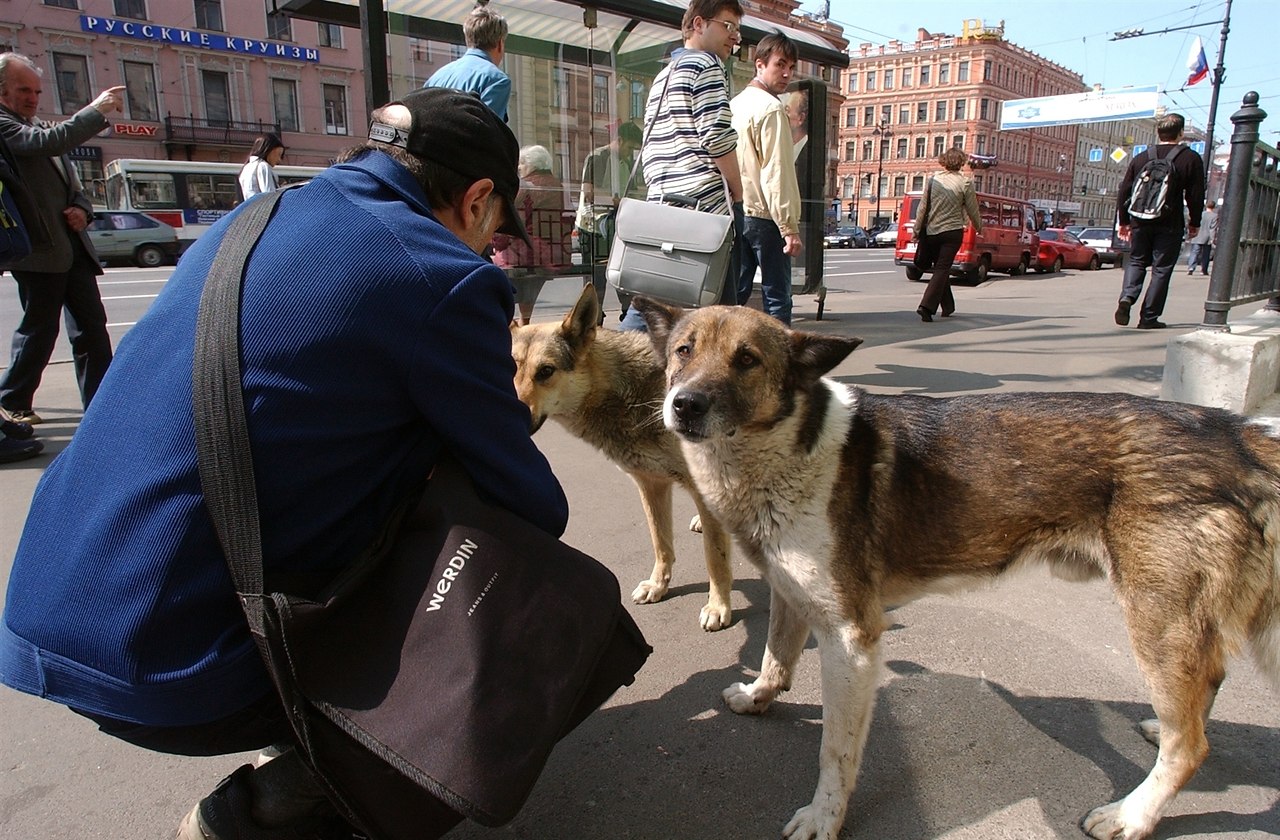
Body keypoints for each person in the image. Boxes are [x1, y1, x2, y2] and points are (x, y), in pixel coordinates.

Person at [0, 87, 568, 838]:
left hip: (51, 609)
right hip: (179, 666)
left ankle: (308, 723)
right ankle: (285, 805)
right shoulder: (441, 273)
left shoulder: (251, 217)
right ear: (476, 199)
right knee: (524, 580)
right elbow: (533, 504)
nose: (492, 242)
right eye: (496, 225)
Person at [0, 52, 121, 424]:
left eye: (37, 91)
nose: (33, 98)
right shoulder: (7, 127)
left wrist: (82, 209)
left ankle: (101, 406)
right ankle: (13, 399)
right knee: (40, 329)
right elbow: (49, 143)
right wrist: (95, 111)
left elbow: (74, 186)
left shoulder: (34, 124)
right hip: (39, 250)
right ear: (1, 91)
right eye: (23, 90)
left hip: (71, 246)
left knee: (91, 329)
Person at [622, 0, 744, 331]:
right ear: (699, 24)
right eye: (729, 26)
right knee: (720, 316)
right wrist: (737, 188)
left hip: (663, 203)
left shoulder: (664, 75)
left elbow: (650, 143)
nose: (735, 37)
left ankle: (617, 369)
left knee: (652, 304)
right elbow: (716, 135)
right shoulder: (707, 65)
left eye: (737, 29)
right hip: (704, 207)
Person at [731, 32, 803, 325]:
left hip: (737, 210)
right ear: (759, 64)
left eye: (791, 67)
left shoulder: (734, 105)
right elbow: (777, 171)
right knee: (778, 299)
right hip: (765, 215)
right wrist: (789, 227)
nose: (787, 73)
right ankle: (783, 367)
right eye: (780, 65)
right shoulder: (772, 109)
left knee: (734, 295)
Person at [1114, 112, 1205, 330]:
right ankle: (1149, 318)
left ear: (1158, 132)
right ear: (1181, 133)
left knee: (1136, 261)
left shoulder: (1142, 157)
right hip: (1170, 222)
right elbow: (1195, 194)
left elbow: (1124, 190)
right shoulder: (1190, 158)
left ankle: (1127, 297)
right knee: (1161, 269)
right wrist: (1195, 222)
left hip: (1140, 220)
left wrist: (1124, 221)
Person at [493, 143, 568, 325]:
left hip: (525, 253)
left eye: (521, 165)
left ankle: (508, 323)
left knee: (493, 269)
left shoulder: (528, 188)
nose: (519, 169)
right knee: (528, 288)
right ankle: (524, 320)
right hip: (551, 253)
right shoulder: (558, 186)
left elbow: (510, 223)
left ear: (532, 165)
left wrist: (495, 242)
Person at [575, 121, 642, 320]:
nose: (630, 153)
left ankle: (626, 313)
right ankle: (595, 318)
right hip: (593, 225)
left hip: (615, 224)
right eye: (629, 148)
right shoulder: (598, 157)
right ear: (619, 141)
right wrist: (618, 201)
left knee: (623, 271)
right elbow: (589, 192)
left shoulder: (626, 162)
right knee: (596, 277)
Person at [913, 147, 982, 322]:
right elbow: (972, 209)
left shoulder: (933, 180)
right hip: (952, 232)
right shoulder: (965, 183)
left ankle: (948, 306)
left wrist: (917, 230)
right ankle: (926, 307)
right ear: (961, 163)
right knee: (942, 268)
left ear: (943, 161)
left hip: (932, 232)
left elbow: (922, 207)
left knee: (940, 268)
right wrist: (979, 227)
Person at [424, 2, 511, 121]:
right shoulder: (496, 80)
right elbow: (488, 133)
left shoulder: (436, 78)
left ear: (468, 39)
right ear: (500, 44)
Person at [238, 132, 286, 199]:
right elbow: (269, 196)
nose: (279, 160)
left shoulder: (247, 167)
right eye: (279, 154)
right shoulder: (263, 166)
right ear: (270, 150)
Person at [1188, 198, 1218, 276]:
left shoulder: (1200, 214)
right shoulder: (1214, 216)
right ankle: (1203, 270)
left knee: (1194, 252)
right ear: (1214, 207)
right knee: (1206, 254)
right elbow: (1212, 228)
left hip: (1197, 236)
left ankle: (1191, 268)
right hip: (1207, 237)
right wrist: (1212, 239)